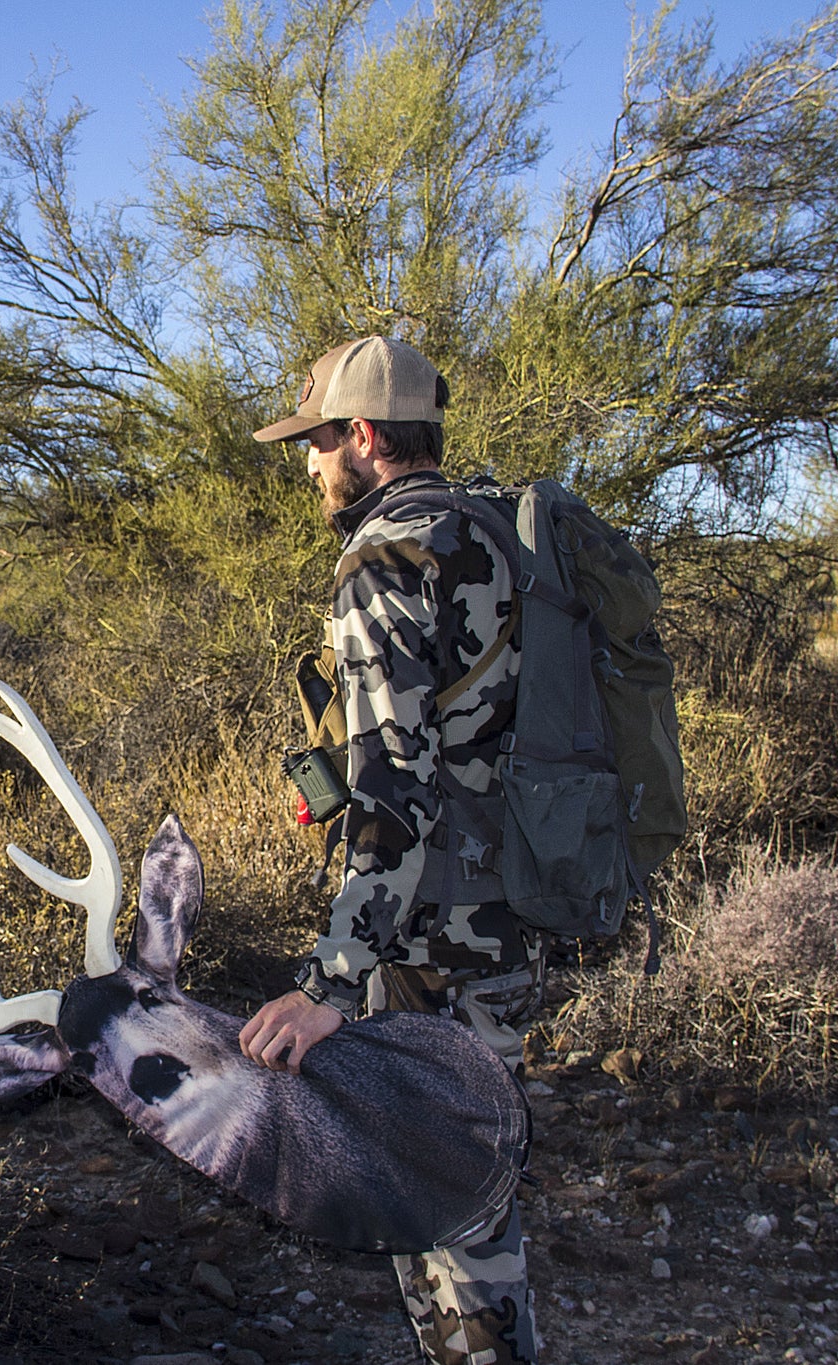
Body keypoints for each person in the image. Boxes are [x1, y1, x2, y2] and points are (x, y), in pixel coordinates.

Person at [238, 335, 544, 1365]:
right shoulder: (490, 532)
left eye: (317, 441)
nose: (309, 464)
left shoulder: (384, 561)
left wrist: (328, 982)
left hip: (426, 944)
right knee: (456, 1193)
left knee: (452, 1214)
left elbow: (389, 791)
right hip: (499, 913)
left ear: (362, 435)